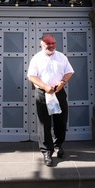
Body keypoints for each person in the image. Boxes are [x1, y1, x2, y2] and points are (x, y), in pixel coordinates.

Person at [27, 34, 74, 167]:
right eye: (48, 43)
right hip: (43, 93)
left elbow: (69, 72)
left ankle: (58, 145)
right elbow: (31, 76)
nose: (52, 45)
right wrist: (45, 87)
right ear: (42, 44)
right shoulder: (36, 58)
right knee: (44, 124)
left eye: (53, 43)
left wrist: (63, 82)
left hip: (58, 92)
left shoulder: (61, 57)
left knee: (61, 121)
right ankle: (47, 151)